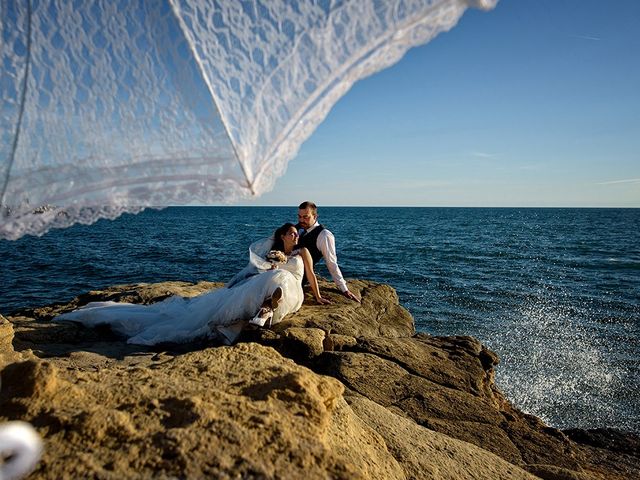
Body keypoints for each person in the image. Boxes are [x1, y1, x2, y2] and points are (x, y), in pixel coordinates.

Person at [55, 223, 329, 346]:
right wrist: (273, 264)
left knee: (281, 278)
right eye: (290, 232)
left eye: (296, 232)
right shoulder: (274, 254)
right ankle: (264, 310)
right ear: (281, 236)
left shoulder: (302, 253)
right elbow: (255, 270)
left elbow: (311, 277)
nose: (295, 235)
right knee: (271, 276)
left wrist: (317, 296)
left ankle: (268, 308)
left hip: (295, 288)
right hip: (270, 279)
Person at [296, 201, 360, 302]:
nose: (301, 220)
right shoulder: (296, 228)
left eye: (305, 217)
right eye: (299, 216)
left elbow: (331, 263)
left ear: (315, 216)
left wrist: (344, 289)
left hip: (298, 278)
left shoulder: (324, 235)